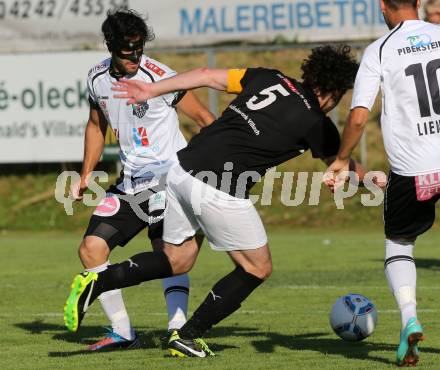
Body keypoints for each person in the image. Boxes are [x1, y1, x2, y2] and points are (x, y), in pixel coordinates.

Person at [64, 45, 361, 357]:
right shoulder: (316, 122)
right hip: (219, 187)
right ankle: (188, 335)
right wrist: (374, 177)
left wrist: (150, 89)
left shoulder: (268, 77)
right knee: (257, 268)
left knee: (178, 259)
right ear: (335, 92)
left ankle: (99, 280)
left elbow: (204, 75)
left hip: (179, 169)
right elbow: (341, 164)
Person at [67, 9, 214, 351]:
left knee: (168, 253)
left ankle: (178, 330)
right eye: (126, 50)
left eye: (138, 48)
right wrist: (86, 174)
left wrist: (206, 170)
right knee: (91, 250)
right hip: (130, 184)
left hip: (171, 181)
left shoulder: (160, 76)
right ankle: (122, 333)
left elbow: (207, 119)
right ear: (110, 46)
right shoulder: (96, 78)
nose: (134, 56)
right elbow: (95, 125)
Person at [325, 0, 440, 366]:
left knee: (399, 243)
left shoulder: (379, 50)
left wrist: (342, 160)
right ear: (419, 3)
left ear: (381, 5)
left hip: (414, 170)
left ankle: (409, 318)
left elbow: (358, 118)